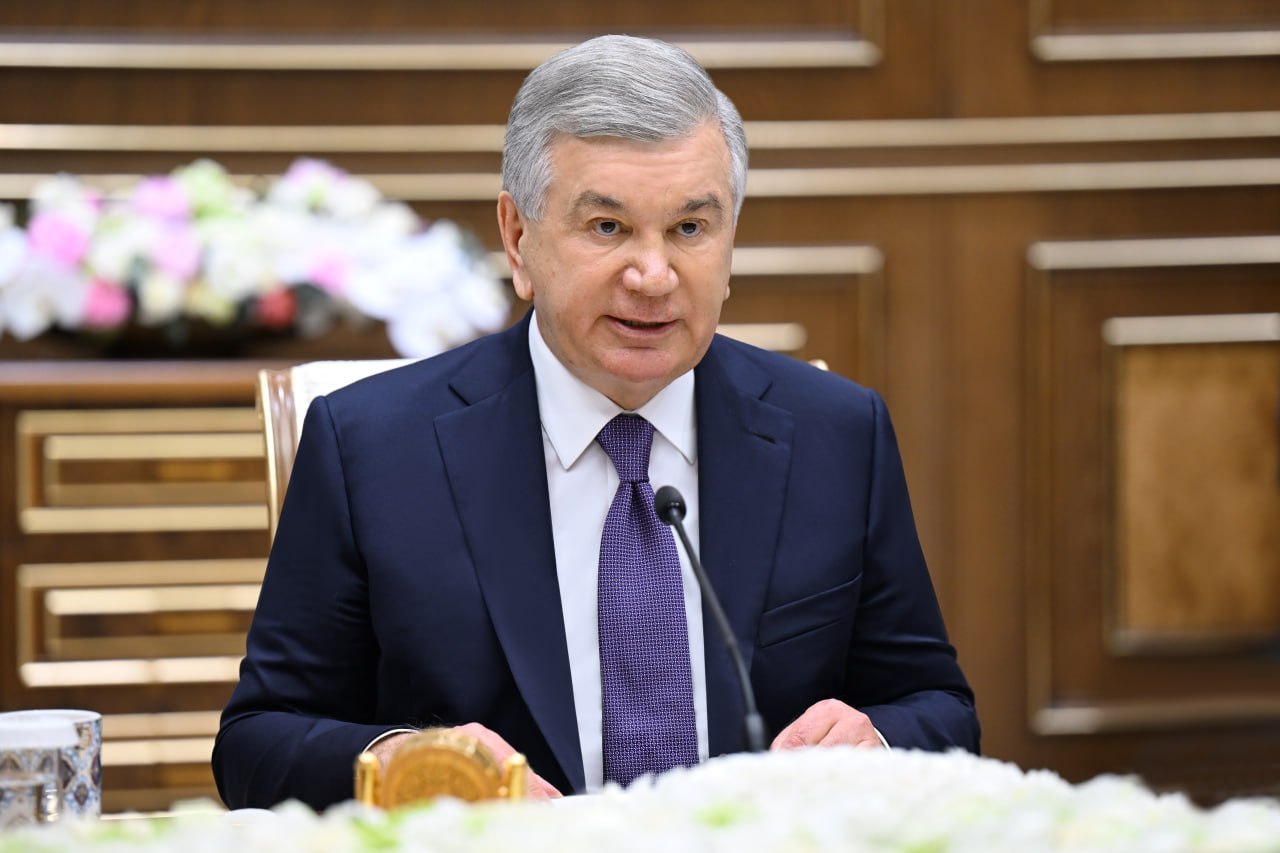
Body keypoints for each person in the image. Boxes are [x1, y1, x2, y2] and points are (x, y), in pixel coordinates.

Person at [213, 34, 979, 810]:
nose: (653, 275)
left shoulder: (835, 434)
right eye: (608, 227)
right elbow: (257, 743)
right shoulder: (372, 447)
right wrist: (407, 763)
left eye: (689, 229)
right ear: (518, 238)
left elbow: (938, 708)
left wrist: (874, 741)